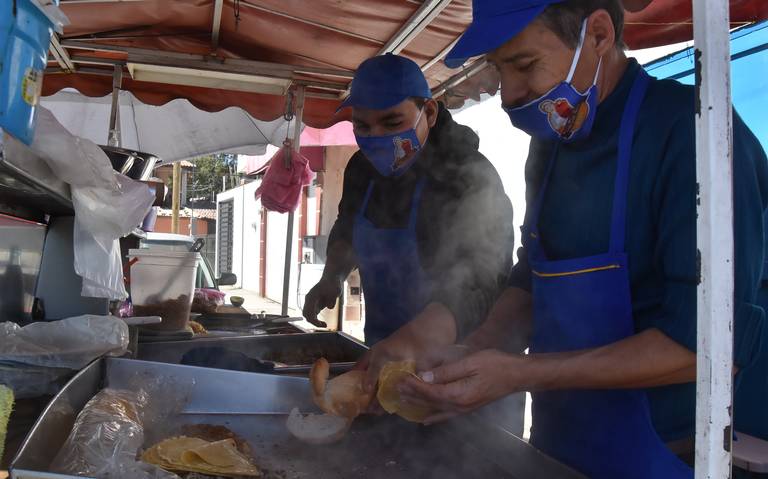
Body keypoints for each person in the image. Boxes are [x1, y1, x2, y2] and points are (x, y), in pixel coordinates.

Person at [366, 1, 768, 479]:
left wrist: (520, 372)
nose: (509, 95)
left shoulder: (693, 134)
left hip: (662, 458)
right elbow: (533, 274)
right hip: (554, 448)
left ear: (597, 34)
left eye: (524, 65)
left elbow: (706, 346)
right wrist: (475, 350)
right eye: (499, 68)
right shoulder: (551, 145)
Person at [302, 54, 514, 353]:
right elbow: (348, 227)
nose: (376, 137)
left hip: (459, 360)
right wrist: (332, 276)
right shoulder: (361, 169)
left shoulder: (467, 176)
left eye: (391, 122)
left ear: (428, 112)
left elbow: (485, 276)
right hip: (382, 349)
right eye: (362, 126)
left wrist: (421, 338)